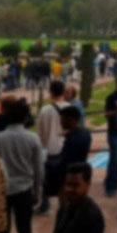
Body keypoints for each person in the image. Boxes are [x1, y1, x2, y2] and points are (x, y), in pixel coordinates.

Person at [0, 100, 43, 233]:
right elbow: (39, 169)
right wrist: (38, 192)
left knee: (2, 232)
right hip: (24, 190)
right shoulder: (33, 138)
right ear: (26, 118)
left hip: (1, 192)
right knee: (25, 232)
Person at [50, 163, 104, 233]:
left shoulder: (92, 216)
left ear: (87, 185)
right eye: (67, 184)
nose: (69, 189)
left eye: (75, 185)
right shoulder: (64, 209)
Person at [36, 80, 69, 212]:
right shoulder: (69, 108)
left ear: (50, 92)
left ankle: (44, 205)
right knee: (63, 180)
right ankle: (64, 206)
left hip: (49, 150)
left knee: (45, 180)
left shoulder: (45, 110)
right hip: (65, 149)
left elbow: (40, 132)